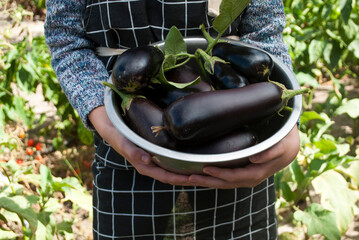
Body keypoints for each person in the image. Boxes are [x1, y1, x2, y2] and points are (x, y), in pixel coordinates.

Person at [44, 0, 300, 239]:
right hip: (125, 156)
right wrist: (106, 119)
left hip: (240, 163)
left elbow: (264, 33)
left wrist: (287, 132)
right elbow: (67, 41)